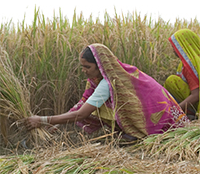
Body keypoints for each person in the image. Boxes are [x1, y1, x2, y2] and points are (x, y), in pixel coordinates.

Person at [25, 43, 189, 140]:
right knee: (100, 105)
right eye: (82, 66)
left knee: (100, 107)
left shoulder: (108, 83)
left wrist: (43, 120)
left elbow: (82, 114)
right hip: (165, 118)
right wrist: (55, 124)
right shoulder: (115, 74)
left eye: (87, 67)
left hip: (165, 125)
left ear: (100, 66)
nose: (83, 71)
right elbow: (82, 104)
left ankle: (138, 133)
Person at [164, 29, 200, 120]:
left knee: (171, 81)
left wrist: (175, 110)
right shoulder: (194, 60)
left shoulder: (191, 64)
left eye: (175, 46)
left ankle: (190, 112)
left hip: (196, 100)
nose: (173, 49)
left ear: (182, 47)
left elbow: (196, 95)